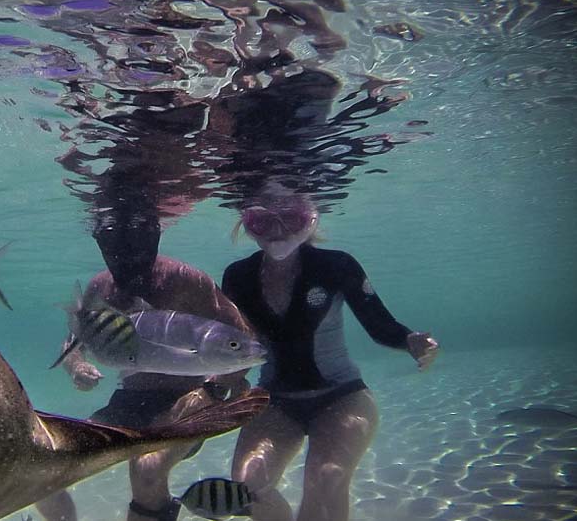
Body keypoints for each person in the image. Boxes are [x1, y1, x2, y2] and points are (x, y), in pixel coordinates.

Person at [220, 187, 439, 521]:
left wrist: (410, 340)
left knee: (327, 479)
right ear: (245, 222)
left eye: (291, 219)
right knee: (248, 486)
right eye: (262, 221)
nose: (278, 231)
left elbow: (380, 325)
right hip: (275, 401)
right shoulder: (238, 276)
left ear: (311, 219)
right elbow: (230, 343)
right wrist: (217, 384)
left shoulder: (336, 266)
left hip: (342, 397)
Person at [36, 210, 256, 521]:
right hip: (129, 400)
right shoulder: (101, 286)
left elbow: (244, 339)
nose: (125, 255)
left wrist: (214, 390)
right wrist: (77, 368)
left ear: (154, 237)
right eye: (114, 245)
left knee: (147, 471)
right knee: (50, 468)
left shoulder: (187, 280)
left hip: (189, 400)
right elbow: (73, 344)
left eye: (135, 244)